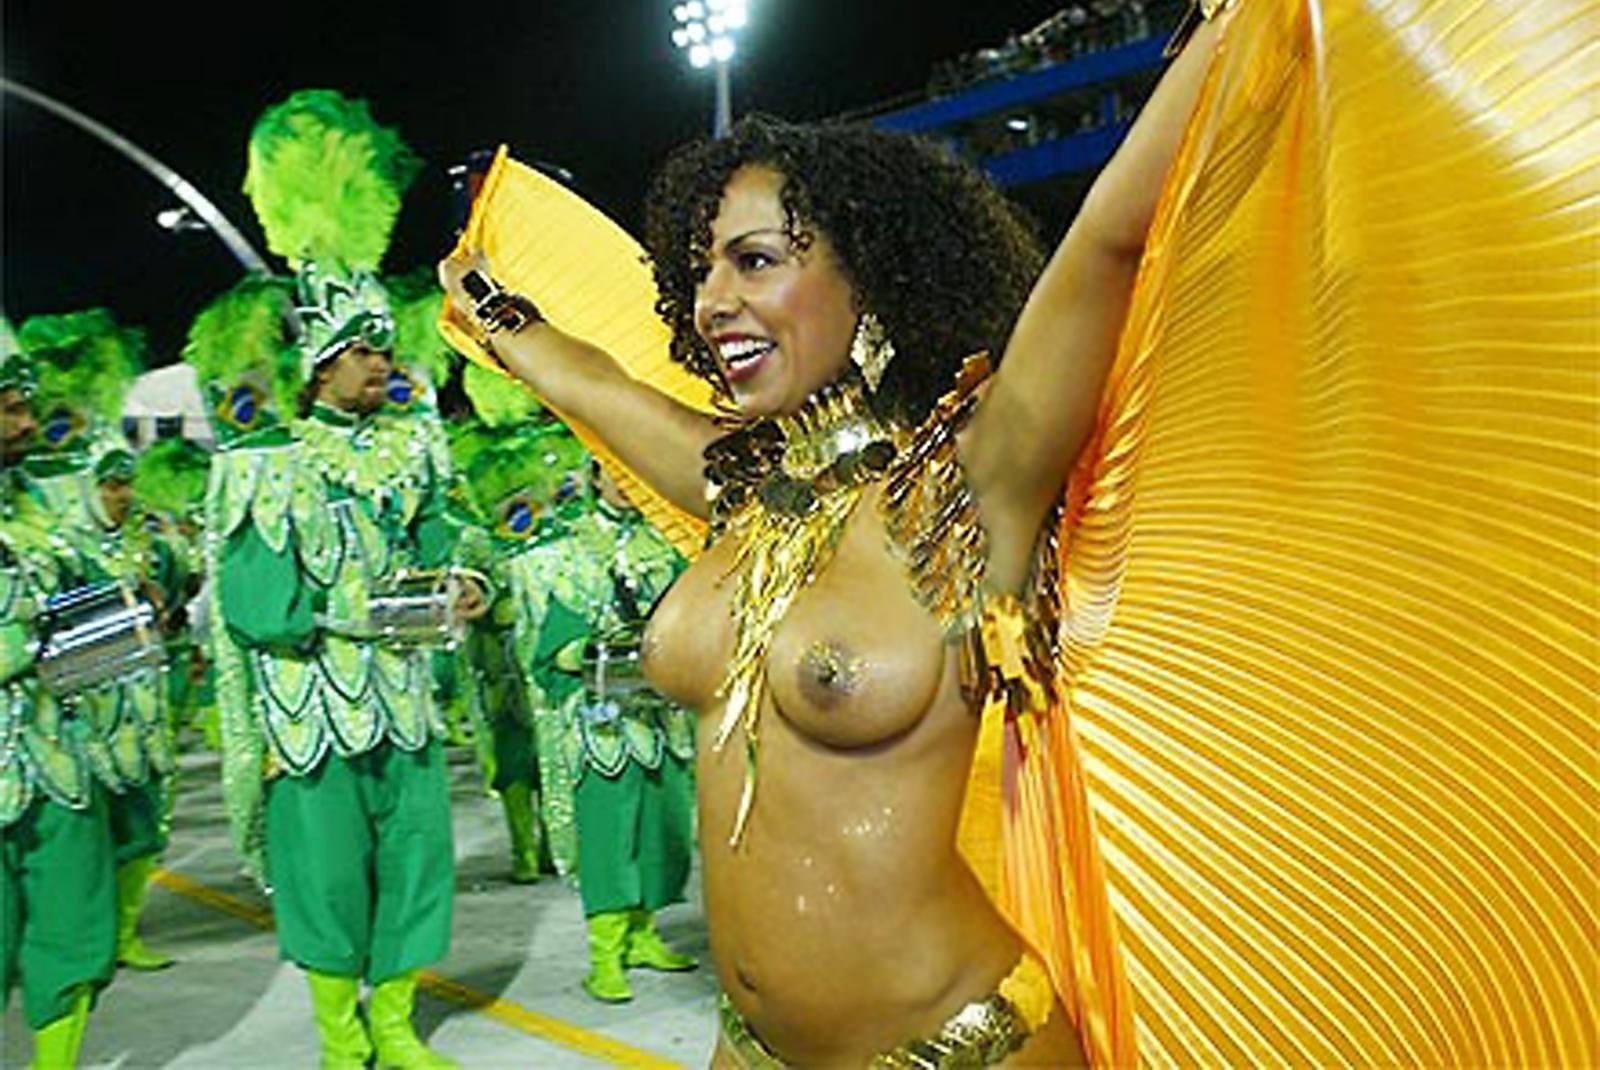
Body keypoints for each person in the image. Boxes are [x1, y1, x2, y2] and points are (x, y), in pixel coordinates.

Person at [440, 0, 1598, 1065]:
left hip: (957, 1044)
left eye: (755, 261)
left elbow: (1107, 242)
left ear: (868, 277)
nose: (712, 302)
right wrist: (488, 301)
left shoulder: (971, 487)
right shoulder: (739, 490)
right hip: (748, 1047)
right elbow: (587, 376)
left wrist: (1232, 30)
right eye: (700, 272)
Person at [213, 88, 485, 1070]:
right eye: (364, 350)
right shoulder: (264, 464)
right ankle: (340, 1032)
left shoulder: (415, 449)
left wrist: (464, 583)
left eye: (384, 347)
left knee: (417, 858)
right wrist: (356, 613)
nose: (382, 363)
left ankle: (396, 1022)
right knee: (327, 873)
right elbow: (257, 608)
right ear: (320, 364)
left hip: (404, 699)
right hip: (312, 710)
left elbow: (446, 538)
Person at [519, 458, 698, 1004]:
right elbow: (547, 648)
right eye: (614, 474)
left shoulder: (666, 543)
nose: (624, 485)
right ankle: (605, 956)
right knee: (608, 835)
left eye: (633, 475)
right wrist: (584, 653)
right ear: (594, 476)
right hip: (600, 726)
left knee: (663, 828)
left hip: (660, 717)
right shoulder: (563, 549)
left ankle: (644, 936)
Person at [0, 348, 118, 1069]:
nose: (27, 424)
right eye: (11, 409)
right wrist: (29, 642)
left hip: (58, 761)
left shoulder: (39, 507)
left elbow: (76, 608)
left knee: (74, 932)